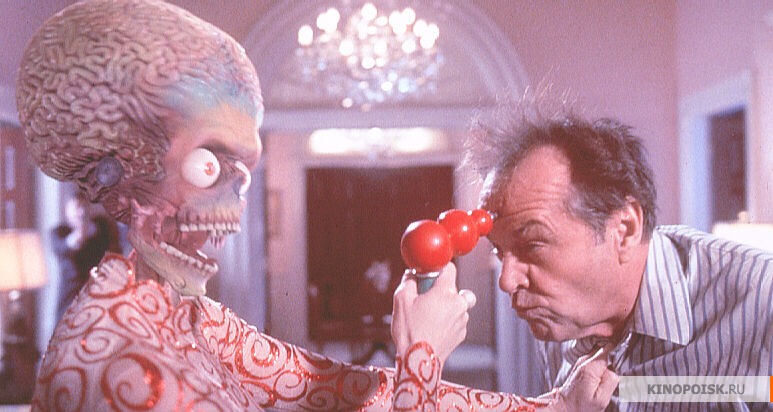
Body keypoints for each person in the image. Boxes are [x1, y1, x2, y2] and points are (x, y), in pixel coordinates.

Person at [17, 1, 614, 410]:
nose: (236, 205)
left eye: (242, 172)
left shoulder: (185, 314)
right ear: (121, 170)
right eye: (207, 165)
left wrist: (551, 406)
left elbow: (343, 388)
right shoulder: (111, 360)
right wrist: (423, 356)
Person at [463, 94, 773, 410]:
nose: (507, 281)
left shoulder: (763, 303)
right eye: (500, 251)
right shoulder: (561, 321)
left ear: (624, 230)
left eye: (532, 245)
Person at [52, 192, 122, 323]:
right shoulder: (59, 233)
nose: (81, 212)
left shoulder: (102, 228)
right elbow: (67, 247)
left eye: (84, 206)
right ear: (67, 211)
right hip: (71, 297)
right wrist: (82, 230)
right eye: (77, 208)